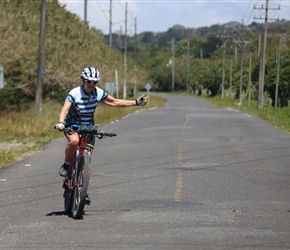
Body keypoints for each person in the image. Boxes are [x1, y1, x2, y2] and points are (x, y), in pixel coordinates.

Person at [55, 67, 149, 203]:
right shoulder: (74, 93)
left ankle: (84, 190)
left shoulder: (97, 93)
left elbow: (114, 102)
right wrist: (60, 122)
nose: (91, 85)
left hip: (89, 127)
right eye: (89, 82)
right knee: (74, 141)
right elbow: (65, 109)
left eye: (95, 82)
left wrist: (135, 103)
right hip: (72, 125)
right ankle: (66, 164)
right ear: (83, 80)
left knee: (86, 155)